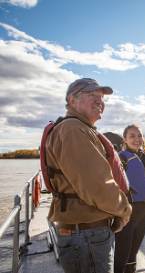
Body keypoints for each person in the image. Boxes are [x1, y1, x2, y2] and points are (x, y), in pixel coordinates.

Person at [45, 78, 132, 273]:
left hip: (85, 232)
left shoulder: (78, 128)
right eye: (92, 95)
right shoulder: (73, 130)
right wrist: (124, 210)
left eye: (101, 97)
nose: (100, 101)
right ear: (72, 100)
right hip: (86, 235)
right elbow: (97, 186)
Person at [114, 124, 145, 273]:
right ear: (125, 139)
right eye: (132, 136)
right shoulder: (121, 158)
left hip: (144, 213)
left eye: (139, 136)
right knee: (122, 252)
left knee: (133, 252)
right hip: (128, 213)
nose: (137, 139)